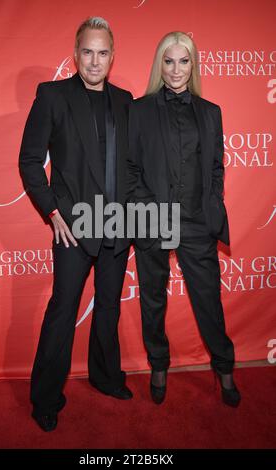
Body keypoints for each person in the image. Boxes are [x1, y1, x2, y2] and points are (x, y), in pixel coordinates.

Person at [19, 17, 133, 432]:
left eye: (103, 53)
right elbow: (30, 160)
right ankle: (46, 398)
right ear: (76, 53)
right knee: (62, 311)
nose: (95, 60)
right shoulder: (52, 96)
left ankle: (105, 377)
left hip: (119, 227)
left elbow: (131, 165)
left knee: (106, 310)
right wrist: (52, 212)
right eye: (88, 51)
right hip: (73, 227)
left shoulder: (126, 100)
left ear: (112, 56)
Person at [127, 31, 241, 407]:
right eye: (169, 61)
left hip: (196, 223)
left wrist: (211, 209)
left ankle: (224, 367)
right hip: (152, 220)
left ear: (193, 64)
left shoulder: (211, 113)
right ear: (160, 64)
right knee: (154, 300)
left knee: (208, 300)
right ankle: (158, 363)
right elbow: (131, 168)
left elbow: (215, 168)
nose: (176, 70)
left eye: (184, 61)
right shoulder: (139, 110)